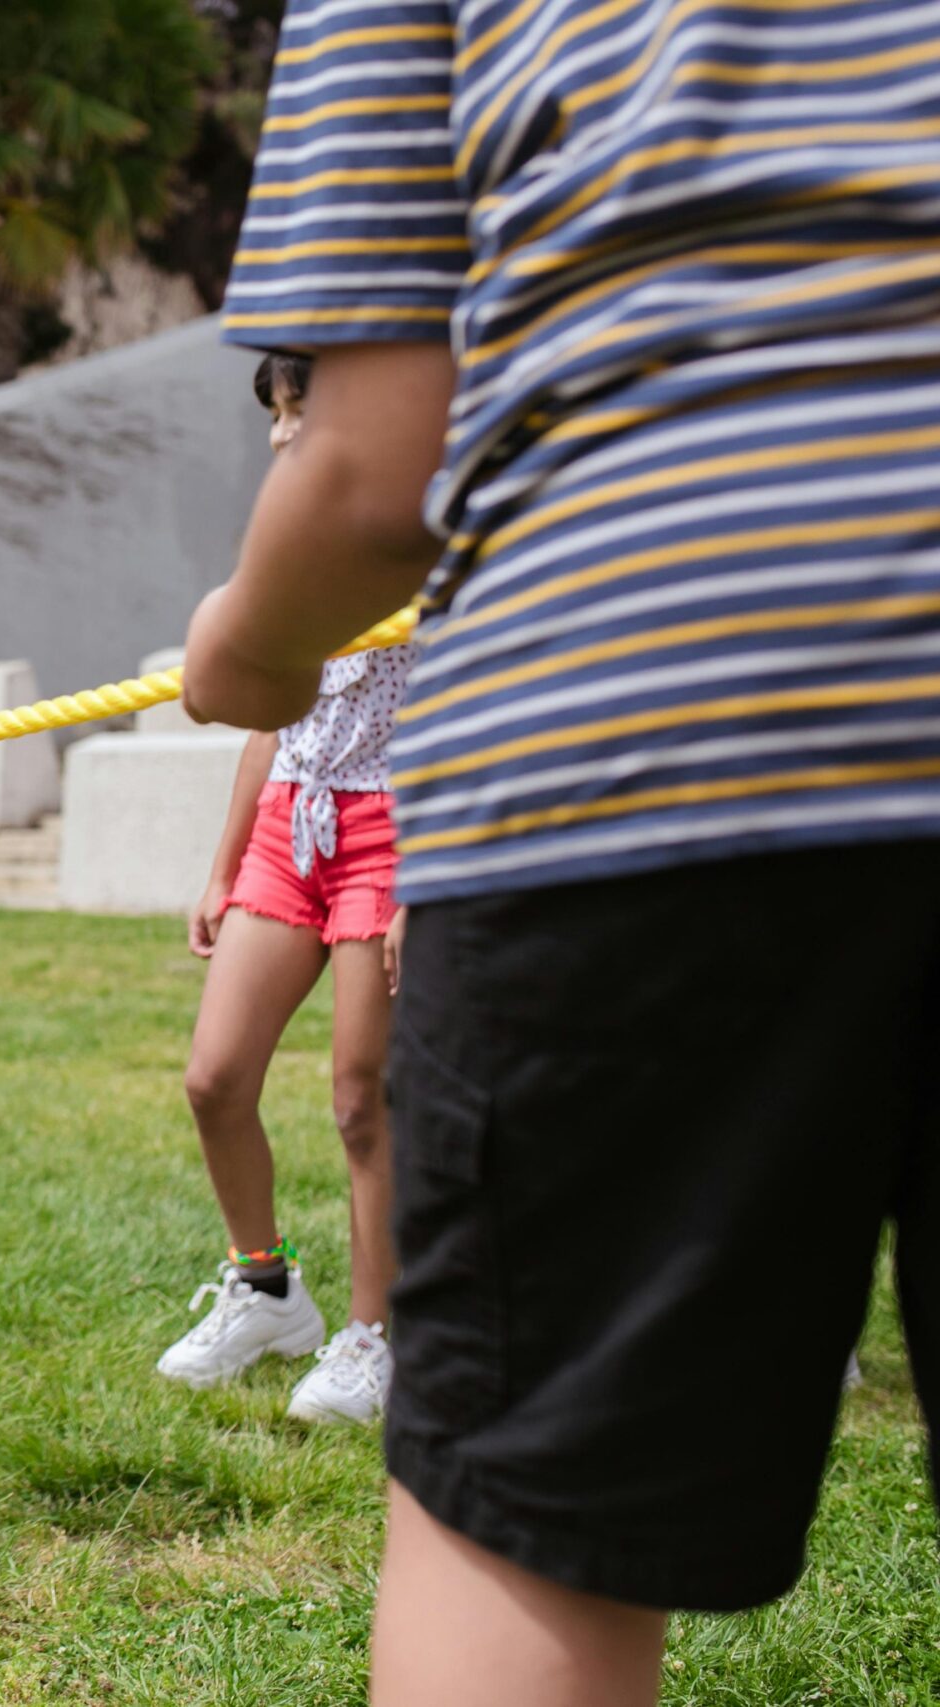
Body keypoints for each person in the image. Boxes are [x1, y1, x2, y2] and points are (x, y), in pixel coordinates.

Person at [181, 0, 940, 1699]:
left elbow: (381, 461)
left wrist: (243, 647)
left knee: (525, 1548)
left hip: (651, 730)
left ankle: (348, 1318)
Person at [159, 354, 416, 1426]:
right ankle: (266, 1291)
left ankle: (377, 1338)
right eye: (274, 411)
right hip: (291, 822)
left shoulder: (426, 534)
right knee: (214, 1077)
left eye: (299, 406)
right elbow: (269, 710)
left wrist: (429, 874)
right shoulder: (291, 535)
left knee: (362, 1099)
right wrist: (226, 864)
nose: (280, 430)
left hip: (397, 824)